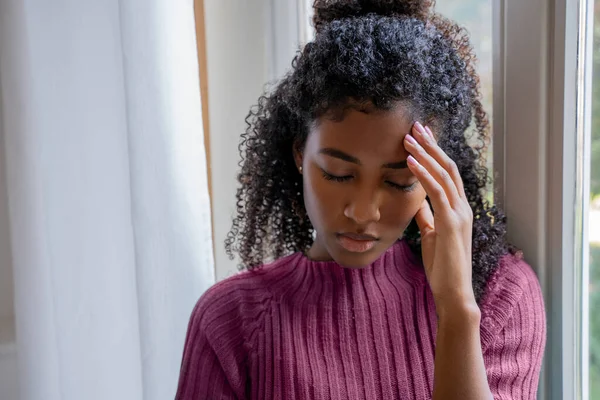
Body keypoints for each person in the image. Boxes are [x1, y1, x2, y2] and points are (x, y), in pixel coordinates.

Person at [175, 0, 546, 398]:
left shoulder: (499, 296)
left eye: (400, 181)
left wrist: (456, 311)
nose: (363, 212)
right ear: (300, 152)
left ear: (436, 177)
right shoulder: (232, 320)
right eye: (338, 174)